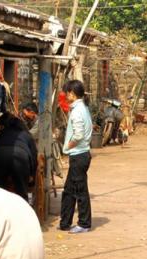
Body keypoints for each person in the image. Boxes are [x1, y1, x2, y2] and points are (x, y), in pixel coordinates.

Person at [59, 80, 93, 234]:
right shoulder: (81, 108)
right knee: (69, 190)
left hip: (79, 155)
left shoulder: (78, 111)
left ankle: (84, 224)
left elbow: (78, 134)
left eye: (67, 93)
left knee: (80, 190)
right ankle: (65, 222)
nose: (66, 96)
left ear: (72, 93)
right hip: (80, 155)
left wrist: (67, 147)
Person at [0, 113, 38, 201]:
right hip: (20, 156)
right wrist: (32, 177)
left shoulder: (1, 134)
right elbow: (34, 156)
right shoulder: (26, 135)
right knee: (22, 193)